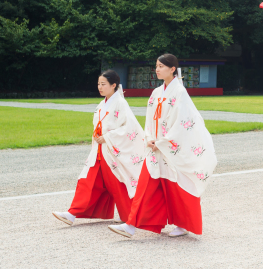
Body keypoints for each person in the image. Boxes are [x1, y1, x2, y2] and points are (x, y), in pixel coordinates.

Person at [109, 54, 217, 238]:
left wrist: (163, 142)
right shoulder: (156, 93)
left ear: (172, 69)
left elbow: (184, 122)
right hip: (155, 146)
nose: (157, 69)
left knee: (178, 186)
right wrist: (149, 137)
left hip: (170, 147)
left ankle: (183, 224)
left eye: (161, 66)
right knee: (145, 184)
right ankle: (131, 224)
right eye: (156, 66)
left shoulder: (180, 93)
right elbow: (150, 119)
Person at [53, 70, 146, 227]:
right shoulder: (103, 103)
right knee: (87, 181)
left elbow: (129, 127)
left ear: (113, 85)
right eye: (98, 84)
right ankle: (72, 213)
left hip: (110, 150)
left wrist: (108, 138)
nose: (100, 87)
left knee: (118, 184)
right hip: (99, 149)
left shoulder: (120, 103)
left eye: (103, 84)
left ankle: (131, 216)